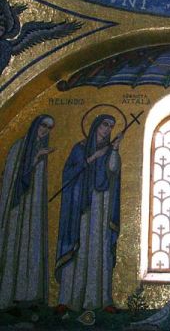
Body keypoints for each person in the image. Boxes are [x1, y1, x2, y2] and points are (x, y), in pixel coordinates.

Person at [55, 114, 123, 313]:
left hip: (101, 206)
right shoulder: (80, 148)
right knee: (77, 246)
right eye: (105, 124)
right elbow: (68, 173)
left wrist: (114, 149)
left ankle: (99, 299)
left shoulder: (110, 149)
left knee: (98, 247)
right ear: (96, 126)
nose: (107, 129)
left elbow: (113, 170)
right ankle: (67, 299)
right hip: (79, 206)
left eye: (111, 126)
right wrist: (92, 157)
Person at [0, 115, 55, 310]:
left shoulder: (41, 147)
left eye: (49, 128)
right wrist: (36, 157)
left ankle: (29, 296)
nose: (45, 130)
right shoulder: (20, 146)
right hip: (18, 209)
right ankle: (9, 297)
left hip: (34, 208)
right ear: (35, 125)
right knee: (16, 246)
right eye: (43, 125)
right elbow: (14, 176)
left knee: (32, 246)